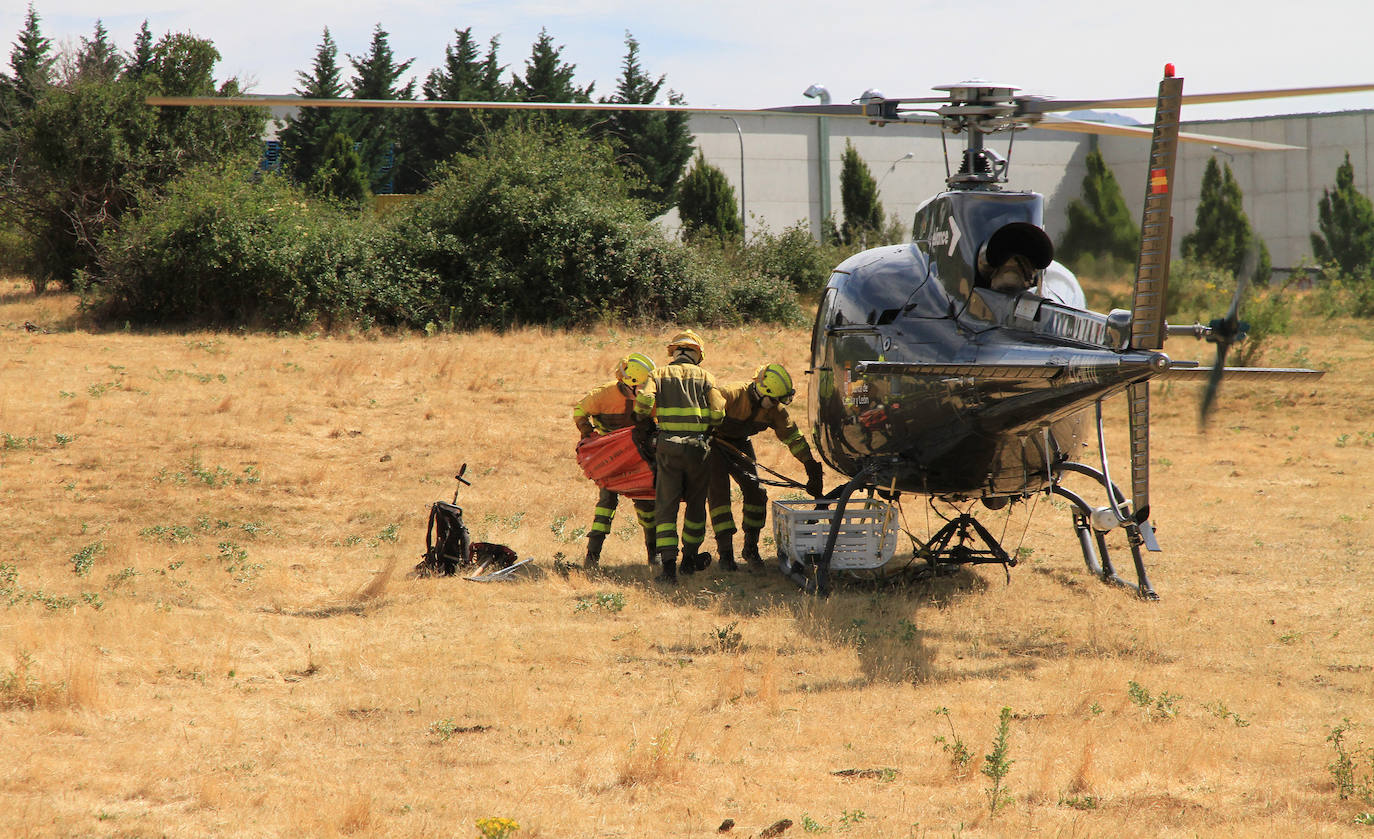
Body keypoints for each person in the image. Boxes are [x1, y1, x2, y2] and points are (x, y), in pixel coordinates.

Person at [707, 363, 824, 571]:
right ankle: (725, 554)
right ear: (763, 391)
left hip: (740, 444)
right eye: (774, 400)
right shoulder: (731, 393)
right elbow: (705, 405)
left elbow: (793, 437)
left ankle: (750, 548)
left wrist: (810, 466)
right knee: (719, 495)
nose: (777, 405)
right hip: (714, 445)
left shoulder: (775, 409)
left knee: (756, 493)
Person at [633, 329, 724, 585]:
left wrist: (644, 419)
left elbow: (643, 402)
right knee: (696, 506)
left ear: (674, 352)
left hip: (668, 449)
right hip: (698, 450)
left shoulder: (658, 374)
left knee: (666, 508)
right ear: (697, 354)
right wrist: (708, 428)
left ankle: (669, 570)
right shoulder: (706, 376)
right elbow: (718, 412)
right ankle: (689, 561)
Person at [573, 352, 658, 570]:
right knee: (606, 504)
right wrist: (586, 432)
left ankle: (653, 556)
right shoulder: (603, 394)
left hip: (638, 459)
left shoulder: (649, 396)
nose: (643, 392)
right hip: (610, 460)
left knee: (647, 503)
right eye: (640, 387)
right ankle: (592, 558)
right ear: (630, 382)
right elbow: (580, 411)